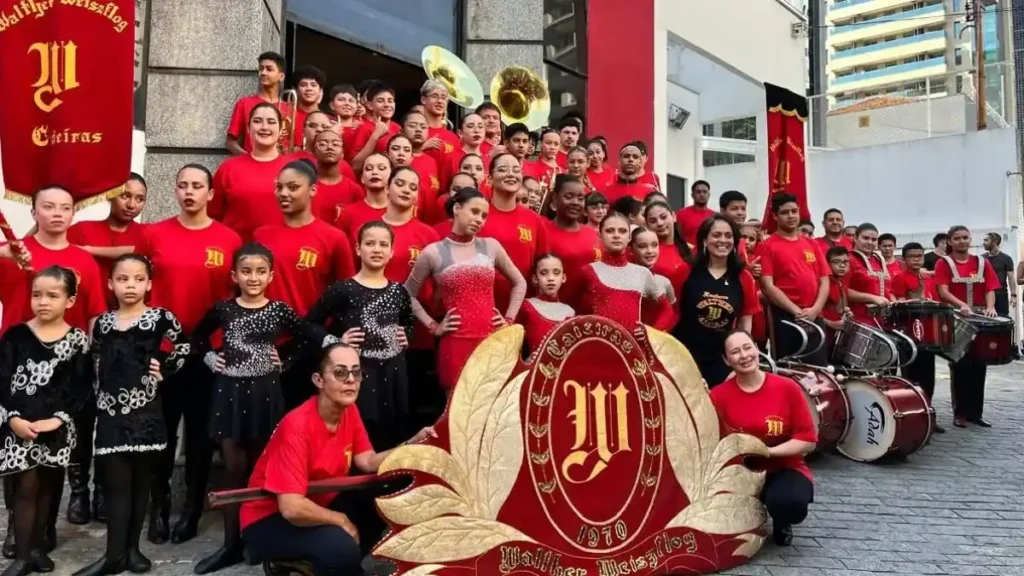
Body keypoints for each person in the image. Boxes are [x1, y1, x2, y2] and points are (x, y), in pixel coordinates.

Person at [190, 243, 335, 574]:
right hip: (229, 394)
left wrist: (288, 360)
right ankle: (230, 545)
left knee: (263, 469)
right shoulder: (224, 309)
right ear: (234, 275)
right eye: (246, 271)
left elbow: (306, 334)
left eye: (259, 271)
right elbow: (198, 337)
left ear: (270, 275)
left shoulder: (280, 310)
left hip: (265, 394)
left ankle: (259, 541)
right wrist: (211, 357)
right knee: (233, 467)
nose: (253, 278)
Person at [240, 343, 437, 576]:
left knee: (386, 498)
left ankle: (326, 564)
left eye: (356, 372)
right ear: (319, 380)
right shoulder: (296, 426)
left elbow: (369, 462)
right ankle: (322, 559)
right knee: (341, 549)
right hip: (269, 518)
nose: (351, 380)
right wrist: (340, 520)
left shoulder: (348, 411)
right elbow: (291, 508)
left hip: (317, 502)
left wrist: (413, 443)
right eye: (340, 373)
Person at [140, 164, 242, 545]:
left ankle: (191, 511)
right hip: (163, 352)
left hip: (209, 353)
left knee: (200, 438)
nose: (189, 192)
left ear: (211, 194)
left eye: (197, 186)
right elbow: (139, 290)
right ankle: (159, 508)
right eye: (182, 185)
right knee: (161, 435)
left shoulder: (228, 239)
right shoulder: (154, 235)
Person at [75, 256, 190, 576]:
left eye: (138, 279)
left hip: (147, 414)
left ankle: (133, 551)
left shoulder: (161, 318)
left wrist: (164, 367)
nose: (130, 286)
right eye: (123, 279)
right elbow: (96, 359)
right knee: (115, 485)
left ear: (149, 284)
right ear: (111, 284)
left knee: (142, 484)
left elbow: (183, 347)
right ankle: (112, 555)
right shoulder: (104, 323)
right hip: (111, 415)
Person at [0, 186, 107, 529]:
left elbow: (93, 313)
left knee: (61, 441)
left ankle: (54, 518)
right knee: (15, 444)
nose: (57, 213)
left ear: (73, 213)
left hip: (67, 362)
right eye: (48, 206)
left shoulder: (83, 260)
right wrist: (5, 255)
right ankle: (18, 524)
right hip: (19, 362)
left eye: (65, 207)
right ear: (34, 212)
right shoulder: (15, 252)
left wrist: (93, 359)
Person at [0, 267, 92, 576]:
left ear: (70, 300)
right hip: (19, 428)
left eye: (53, 295)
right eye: (37, 294)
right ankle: (23, 555)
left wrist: (59, 420)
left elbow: (81, 388)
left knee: (50, 486)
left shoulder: (78, 341)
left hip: (55, 428)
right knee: (25, 487)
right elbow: (2, 381)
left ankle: (39, 548)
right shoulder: (16, 336)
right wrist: (12, 418)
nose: (43, 302)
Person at [253, 160, 356, 410]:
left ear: (312, 189)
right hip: (265, 343)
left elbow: (346, 297)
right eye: (279, 187)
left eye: (293, 187)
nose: (284, 194)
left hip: (312, 345)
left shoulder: (333, 238)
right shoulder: (260, 236)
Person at [404, 187, 527, 391]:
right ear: (457, 209)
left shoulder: (491, 246)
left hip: (491, 342)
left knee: (490, 411)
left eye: (484, 216)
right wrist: (434, 326)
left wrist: (509, 319)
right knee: (455, 412)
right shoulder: (433, 253)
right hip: (455, 345)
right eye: (474, 212)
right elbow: (407, 294)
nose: (479, 219)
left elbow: (520, 282)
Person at [306, 222, 413, 450]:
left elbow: (407, 323)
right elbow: (309, 324)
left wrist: (406, 337)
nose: (376, 249)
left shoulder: (399, 291)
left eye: (383, 244)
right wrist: (336, 341)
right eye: (370, 243)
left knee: (393, 431)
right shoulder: (343, 289)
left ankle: (389, 482)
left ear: (392, 251)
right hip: (360, 374)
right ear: (358, 249)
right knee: (363, 432)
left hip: (394, 373)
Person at [711, 330, 816, 547]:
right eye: (735, 352)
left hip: (784, 467)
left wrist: (769, 452)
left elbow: (808, 440)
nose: (744, 355)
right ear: (726, 360)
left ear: (757, 349)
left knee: (790, 504)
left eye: (748, 347)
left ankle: (781, 520)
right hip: (740, 471)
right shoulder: (718, 396)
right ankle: (751, 508)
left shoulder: (787, 388)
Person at [377, 169, 442, 429]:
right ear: (388, 188)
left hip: (415, 333)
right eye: (400, 184)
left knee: (410, 405)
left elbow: (439, 288)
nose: (406, 190)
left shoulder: (428, 236)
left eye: (413, 187)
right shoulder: (370, 230)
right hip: (375, 331)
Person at [673, 216, 759, 387]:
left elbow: (745, 324)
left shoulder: (744, 277)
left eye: (728, 236)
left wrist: (739, 360)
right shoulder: (686, 271)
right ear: (705, 239)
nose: (723, 240)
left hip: (721, 360)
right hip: (684, 356)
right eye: (716, 235)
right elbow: (671, 312)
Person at [934, 225, 1000, 429]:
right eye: (958, 238)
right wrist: (961, 305)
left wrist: (990, 307)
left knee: (980, 364)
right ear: (950, 241)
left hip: (979, 318)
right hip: (956, 318)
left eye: (966, 237)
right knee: (960, 364)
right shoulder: (943, 263)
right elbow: (943, 291)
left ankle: (975, 413)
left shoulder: (982, 262)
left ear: (970, 239)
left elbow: (990, 288)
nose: (962, 241)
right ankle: (960, 412)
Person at [755, 194, 829, 364]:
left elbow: (824, 280)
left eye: (794, 211)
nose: (791, 216)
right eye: (785, 212)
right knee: (790, 371)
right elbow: (767, 286)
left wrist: (815, 310)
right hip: (786, 318)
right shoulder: (766, 246)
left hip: (815, 316)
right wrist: (797, 312)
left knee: (820, 373)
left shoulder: (812, 244)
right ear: (775, 216)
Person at [578, 213, 673, 331]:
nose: (616, 235)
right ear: (599, 235)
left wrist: (650, 332)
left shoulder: (642, 274)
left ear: (629, 237)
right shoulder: (588, 272)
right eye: (610, 231)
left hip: (633, 347)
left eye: (622, 231)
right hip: (599, 346)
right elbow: (572, 311)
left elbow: (667, 310)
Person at [211, 102, 290, 241]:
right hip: (236, 253)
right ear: (248, 128)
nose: (264, 127)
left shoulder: (293, 169)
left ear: (281, 128)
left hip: (282, 251)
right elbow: (212, 216)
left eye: (271, 122)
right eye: (257, 121)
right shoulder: (228, 169)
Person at [68, 173, 149, 308]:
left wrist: (90, 250)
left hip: (132, 315)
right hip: (86, 311)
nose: (131, 205)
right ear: (109, 195)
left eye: (140, 199)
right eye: (125, 196)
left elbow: (137, 249)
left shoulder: (147, 232)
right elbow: (41, 242)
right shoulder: (82, 229)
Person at [481, 153, 549, 312]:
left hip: (522, 309)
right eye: (503, 169)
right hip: (482, 308)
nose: (511, 174)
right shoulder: (478, 215)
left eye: (516, 170)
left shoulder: (534, 220)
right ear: (490, 179)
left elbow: (542, 268)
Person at [892, 242, 945, 434]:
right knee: (910, 378)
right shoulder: (899, 277)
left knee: (928, 379)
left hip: (928, 336)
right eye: (912, 256)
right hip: (909, 336)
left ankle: (929, 416)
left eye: (919, 256)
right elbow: (896, 303)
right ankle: (914, 420)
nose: (916, 259)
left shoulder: (927, 278)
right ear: (904, 259)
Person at [544, 175, 601, 308]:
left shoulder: (592, 235)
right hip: (554, 311)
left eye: (580, 198)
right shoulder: (543, 230)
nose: (575, 202)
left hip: (589, 313)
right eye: (569, 197)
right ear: (555, 199)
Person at [225, 51, 288, 155]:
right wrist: (248, 158)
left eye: (269, 69)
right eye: (261, 68)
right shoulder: (244, 103)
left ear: (281, 76)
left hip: (282, 167)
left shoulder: (290, 107)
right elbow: (230, 142)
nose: (263, 73)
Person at [518, 254, 575, 353]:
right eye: (544, 273)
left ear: (563, 278)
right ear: (535, 279)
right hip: (534, 366)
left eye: (556, 273)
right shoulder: (526, 306)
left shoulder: (570, 312)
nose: (550, 278)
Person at [310, 130, 364, 226]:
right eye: (323, 144)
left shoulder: (354, 190)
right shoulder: (305, 186)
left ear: (342, 153)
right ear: (314, 151)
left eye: (335, 144)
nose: (330, 147)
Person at [336, 153, 392, 243]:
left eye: (381, 168)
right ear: (362, 178)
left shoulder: (399, 212)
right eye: (368, 169)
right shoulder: (348, 213)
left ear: (392, 175)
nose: (374, 172)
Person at [630, 228, 678, 329]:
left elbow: (672, 315)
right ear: (631, 249)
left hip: (655, 340)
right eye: (642, 246)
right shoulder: (624, 278)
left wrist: (655, 332)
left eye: (654, 245)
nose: (650, 251)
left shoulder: (664, 282)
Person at [399, 110, 443, 222]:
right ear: (401, 131)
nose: (418, 129)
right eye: (412, 126)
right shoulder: (397, 161)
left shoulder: (432, 162)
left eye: (423, 127)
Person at [847, 223, 893, 323]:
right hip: (860, 321)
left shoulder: (878, 260)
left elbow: (887, 289)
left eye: (874, 239)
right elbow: (842, 291)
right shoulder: (848, 259)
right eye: (865, 238)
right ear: (855, 238)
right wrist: (872, 298)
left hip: (883, 320)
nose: (870, 242)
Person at [350, 83, 401, 172]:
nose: (387, 105)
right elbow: (355, 165)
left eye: (390, 101)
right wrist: (375, 136)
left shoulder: (397, 128)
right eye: (380, 101)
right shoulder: (364, 128)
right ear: (370, 105)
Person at [643, 201, 691, 295]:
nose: (660, 223)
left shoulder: (688, 249)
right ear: (647, 225)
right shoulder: (647, 252)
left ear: (673, 216)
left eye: (663, 217)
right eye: (653, 221)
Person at [441, 114, 487, 193]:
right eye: (470, 126)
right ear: (460, 133)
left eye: (480, 127)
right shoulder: (451, 158)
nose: (476, 130)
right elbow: (444, 190)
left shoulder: (489, 159)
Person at [419, 79, 460, 166]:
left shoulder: (453, 138)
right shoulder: (416, 131)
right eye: (434, 96)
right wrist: (422, 148)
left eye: (443, 97)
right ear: (423, 100)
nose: (439, 101)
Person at [289, 65, 326, 151]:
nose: (309, 89)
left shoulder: (329, 120)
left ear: (320, 91)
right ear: (296, 90)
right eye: (303, 85)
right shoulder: (286, 115)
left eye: (313, 85)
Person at [821, 246, 852, 341]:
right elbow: (813, 313)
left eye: (845, 262)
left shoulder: (841, 283)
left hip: (836, 336)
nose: (842, 265)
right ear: (827, 263)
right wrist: (830, 323)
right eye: (836, 262)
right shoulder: (823, 284)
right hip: (822, 334)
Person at [982, 232, 1015, 317]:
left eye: (986, 240)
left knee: (1002, 318)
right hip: (986, 295)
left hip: (1001, 295)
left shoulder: (1006, 259)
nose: (983, 243)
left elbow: (1011, 278)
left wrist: (1013, 295)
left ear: (994, 242)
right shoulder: (981, 258)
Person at [675, 180, 713, 246]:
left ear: (709, 195)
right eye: (698, 192)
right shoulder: (681, 214)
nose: (702, 194)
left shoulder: (714, 216)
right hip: (688, 254)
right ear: (692, 195)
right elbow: (677, 237)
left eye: (704, 192)